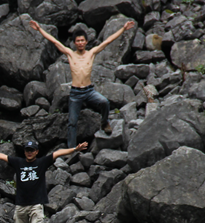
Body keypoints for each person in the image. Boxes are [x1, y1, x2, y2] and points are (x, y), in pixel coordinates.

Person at [30, 19, 136, 148]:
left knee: (104, 102)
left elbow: (108, 41)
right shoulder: (70, 54)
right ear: (74, 43)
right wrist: (40, 29)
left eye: (82, 40)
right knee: (72, 122)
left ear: (86, 42)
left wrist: (123, 29)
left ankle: (104, 122)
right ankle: (72, 148)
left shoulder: (91, 54)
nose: (80, 43)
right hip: (75, 93)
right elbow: (54, 41)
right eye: (78, 41)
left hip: (89, 90)